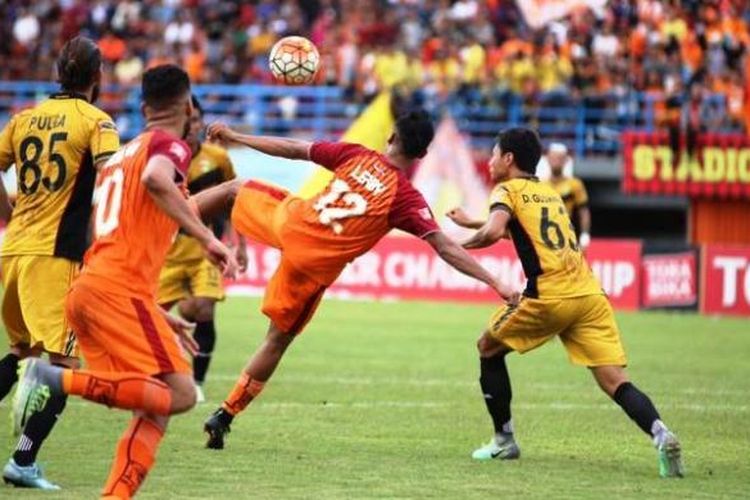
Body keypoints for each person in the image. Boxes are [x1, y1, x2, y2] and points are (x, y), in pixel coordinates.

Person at [201, 110, 517, 450]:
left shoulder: (355, 154)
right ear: (422, 155)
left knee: (234, 189)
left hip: (291, 222)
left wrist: (237, 138)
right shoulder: (405, 198)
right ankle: (225, 414)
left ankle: (170, 219)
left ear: (391, 137)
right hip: (311, 264)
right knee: (275, 342)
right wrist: (495, 281)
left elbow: (294, 148)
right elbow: (444, 247)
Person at [13, 64, 238, 498]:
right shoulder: (167, 147)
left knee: (156, 402)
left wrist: (154, 312)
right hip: (116, 292)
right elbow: (158, 180)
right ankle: (53, 378)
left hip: (93, 288)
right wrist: (209, 238)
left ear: (142, 106)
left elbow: (114, 231)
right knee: (182, 392)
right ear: (188, 105)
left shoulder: (123, 153)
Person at [446, 127, 683, 478]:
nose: (491, 160)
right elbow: (527, 226)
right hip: (588, 295)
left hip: (550, 296)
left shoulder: (507, 189)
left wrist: (458, 245)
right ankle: (661, 434)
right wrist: (475, 219)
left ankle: (504, 441)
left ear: (508, 159)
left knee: (487, 347)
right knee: (614, 380)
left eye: (494, 154)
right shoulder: (550, 194)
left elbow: (496, 231)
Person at [0, 36, 120, 489]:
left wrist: (8, 213)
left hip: (13, 251)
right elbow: (111, 181)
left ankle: (24, 458)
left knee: (19, 352)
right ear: (98, 77)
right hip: (56, 255)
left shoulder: (24, 119)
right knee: (66, 367)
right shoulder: (97, 122)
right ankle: (23, 461)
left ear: (56, 73)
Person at [158, 94, 247, 403]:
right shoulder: (164, 159)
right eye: (189, 120)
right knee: (156, 314)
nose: (193, 125)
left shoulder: (218, 159)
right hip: (167, 251)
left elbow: (235, 200)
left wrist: (241, 244)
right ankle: (150, 371)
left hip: (206, 247)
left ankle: (196, 382)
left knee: (204, 307)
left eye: (198, 120)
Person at [545, 143, 591, 249]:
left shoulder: (575, 184)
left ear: (566, 160)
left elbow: (583, 211)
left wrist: (585, 235)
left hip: (568, 233)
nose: (556, 161)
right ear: (547, 159)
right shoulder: (540, 185)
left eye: (560, 158)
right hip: (546, 233)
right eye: (554, 158)